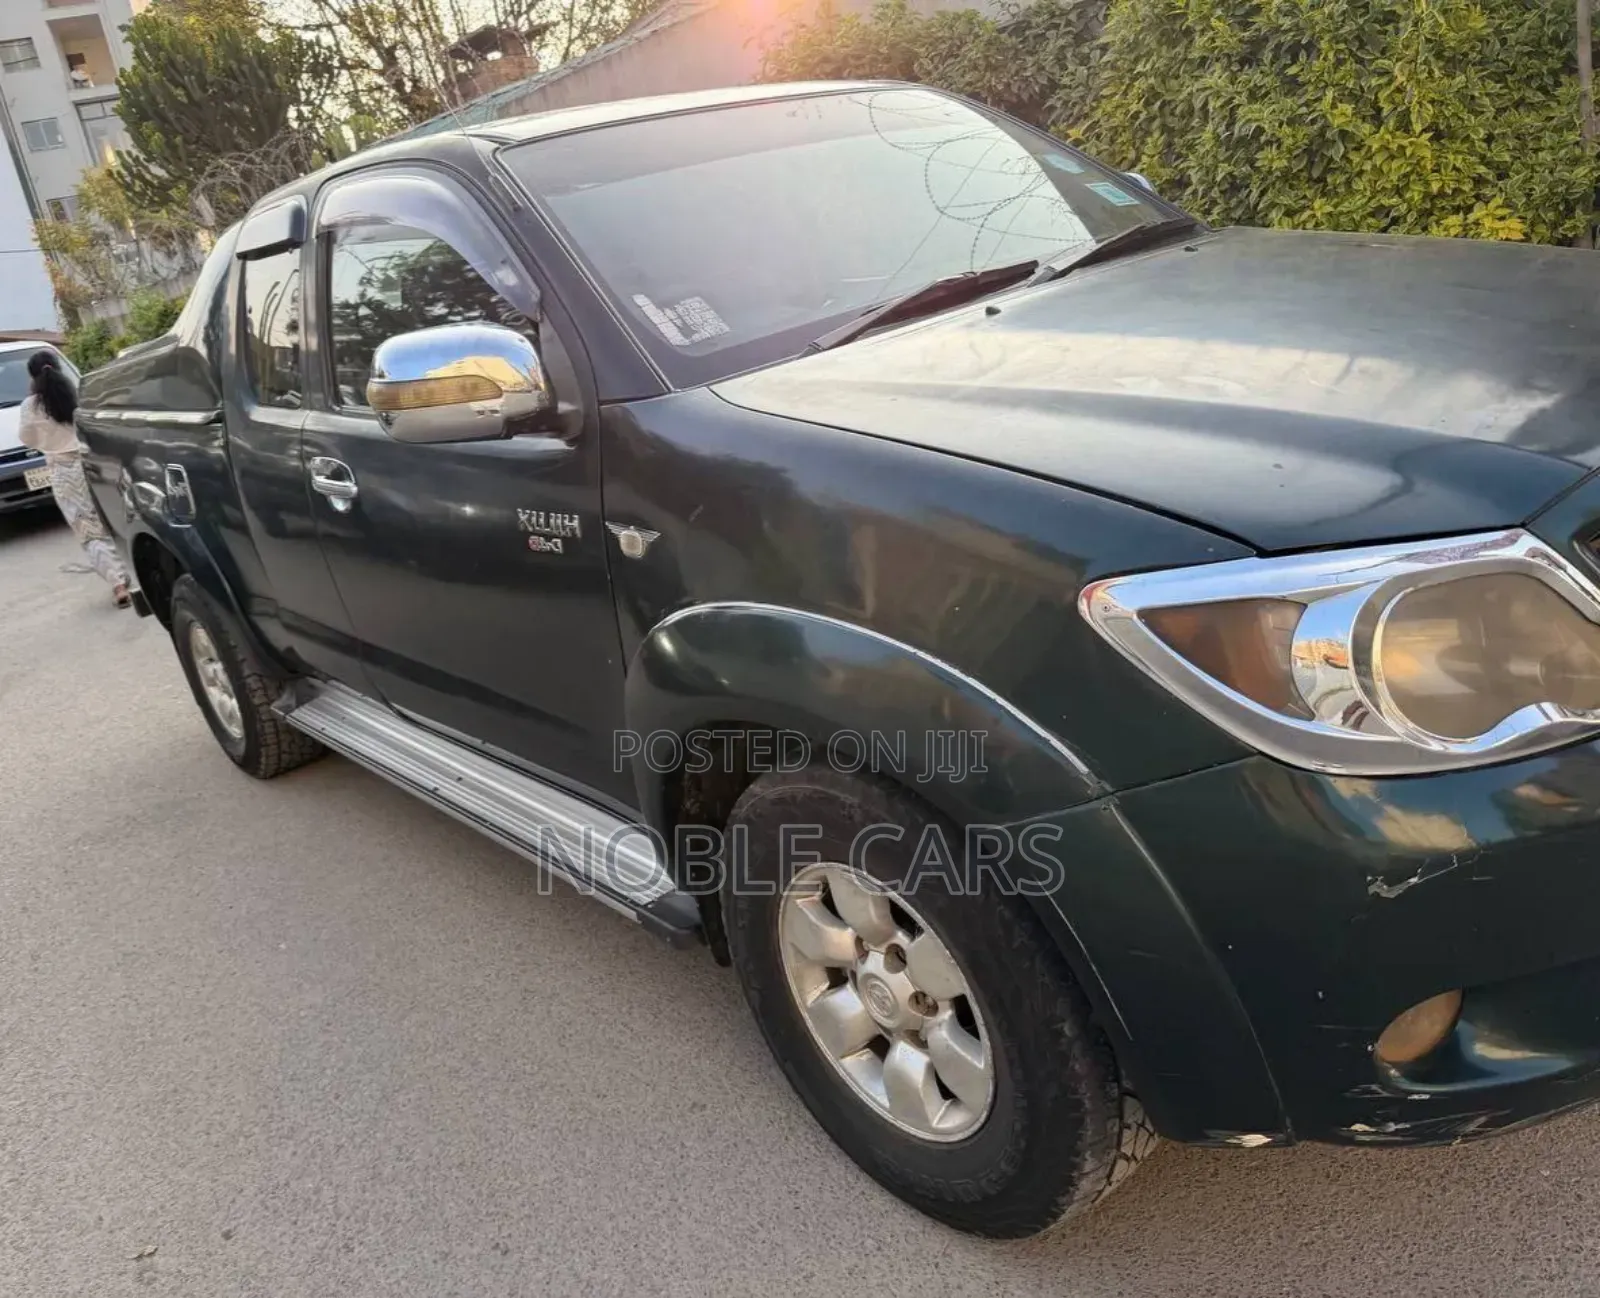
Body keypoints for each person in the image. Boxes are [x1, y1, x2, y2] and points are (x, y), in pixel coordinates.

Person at [18, 351, 130, 608]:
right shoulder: (77, 394)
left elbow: (26, 438)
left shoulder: (30, 406)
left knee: (87, 527)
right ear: (58, 368)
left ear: (33, 376)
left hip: (64, 471)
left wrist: (49, 441)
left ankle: (118, 584)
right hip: (93, 464)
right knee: (113, 518)